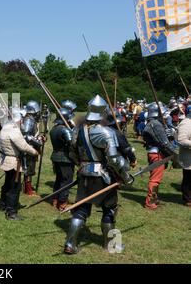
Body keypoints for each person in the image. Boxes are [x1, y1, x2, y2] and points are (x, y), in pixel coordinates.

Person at [64, 95, 133, 254]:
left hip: (83, 174)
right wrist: (126, 177)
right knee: (109, 209)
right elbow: (114, 159)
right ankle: (111, 245)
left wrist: (82, 166)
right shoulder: (107, 132)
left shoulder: (77, 130)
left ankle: (70, 244)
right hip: (104, 176)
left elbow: (72, 154)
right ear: (103, 111)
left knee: (81, 209)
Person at [0, 108, 39, 220]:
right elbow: (23, 146)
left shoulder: (5, 127)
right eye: (21, 119)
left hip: (6, 159)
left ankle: (3, 204)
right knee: (14, 187)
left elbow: (0, 145)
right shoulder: (14, 130)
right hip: (14, 162)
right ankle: (11, 212)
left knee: (7, 184)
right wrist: (34, 152)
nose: (22, 122)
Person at [142, 102, 177, 210]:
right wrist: (175, 155)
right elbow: (163, 143)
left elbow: (165, 139)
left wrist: (170, 134)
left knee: (157, 179)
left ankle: (154, 199)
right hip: (157, 153)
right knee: (155, 179)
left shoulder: (155, 123)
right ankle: (150, 202)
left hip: (157, 153)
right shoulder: (155, 124)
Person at [49, 108, 74, 211]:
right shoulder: (65, 129)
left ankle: (55, 199)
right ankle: (62, 202)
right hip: (65, 157)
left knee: (59, 179)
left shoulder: (54, 129)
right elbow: (72, 143)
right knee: (66, 180)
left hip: (55, 156)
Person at [21, 101, 43, 196]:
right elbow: (26, 135)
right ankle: (28, 190)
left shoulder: (30, 119)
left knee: (30, 168)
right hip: (28, 147)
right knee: (28, 169)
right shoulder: (29, 120)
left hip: (30, 146)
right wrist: (38, 142)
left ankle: (27, 188)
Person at [176, 105, 191, 207]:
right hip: (188, 157)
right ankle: (187, 199)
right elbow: (181, 140)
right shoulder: (186, 123)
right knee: (188, 179)